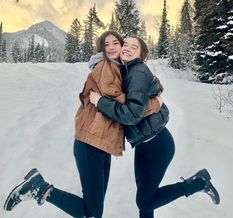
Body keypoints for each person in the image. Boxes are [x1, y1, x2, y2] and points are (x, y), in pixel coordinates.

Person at [4, 31, 160, 218]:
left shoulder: (118, 70)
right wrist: (152, 102)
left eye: (115, 43)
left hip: (101, 144)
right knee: (92, 213)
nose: (111, 47)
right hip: (90, 144)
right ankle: (41, 188)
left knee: (94, 209)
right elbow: (126, 106)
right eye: (106, 44)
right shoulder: (106, 67)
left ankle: (41, 188)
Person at [90, 35, 220, 218]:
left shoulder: (137, 72)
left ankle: (198, 182)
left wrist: (100, 102)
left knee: (145, 200)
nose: (127, 48)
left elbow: (132, 114)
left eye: (133, 47)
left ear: (141, 54)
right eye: (125, 44)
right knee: (146, 199)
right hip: (144, 144)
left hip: (157, 145)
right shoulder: (127, 71)